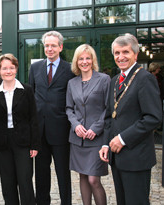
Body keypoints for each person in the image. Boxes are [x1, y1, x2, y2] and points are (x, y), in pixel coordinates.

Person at [99, 34, 162, 205]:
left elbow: (153, 118)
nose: (121, 57)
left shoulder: (145, 79)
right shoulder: (114, 81)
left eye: (125, 52)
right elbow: (110, 117)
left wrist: (122, 138)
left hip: (136, 157)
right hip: (118, 157)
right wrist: (106, 143)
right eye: (117, 53)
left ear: (135, 54)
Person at [0, 53, 40, 205]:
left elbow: (33, 118)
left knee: (25, 181)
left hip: (23, 142)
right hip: (2, 144)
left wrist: (35, 144)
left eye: (11, 67)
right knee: (7, 184)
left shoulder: (26, 90)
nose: (8, 71)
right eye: (4, 68)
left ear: (16, 69)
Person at [28, 30, 75, 205]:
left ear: (60, 47)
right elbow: (31, 96)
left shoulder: (70, 69)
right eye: (47, 45)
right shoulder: (35, 67)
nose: (49, 49)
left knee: (63, 174)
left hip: (61, 131)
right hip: (40, 131)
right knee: (41, 175)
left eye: (53, 45)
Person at [66, 44, 110, 205]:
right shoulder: (72, 83)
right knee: (83, 177)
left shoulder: (104, 79)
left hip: (96, 139)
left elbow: (108, 109)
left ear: (93, 60)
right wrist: (75, 125)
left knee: (93, 180)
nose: (84, 61)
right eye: (81, 59)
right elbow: (69, 109)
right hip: (78, 138)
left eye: (87, 58)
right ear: (76, 62)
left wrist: (96, 128)